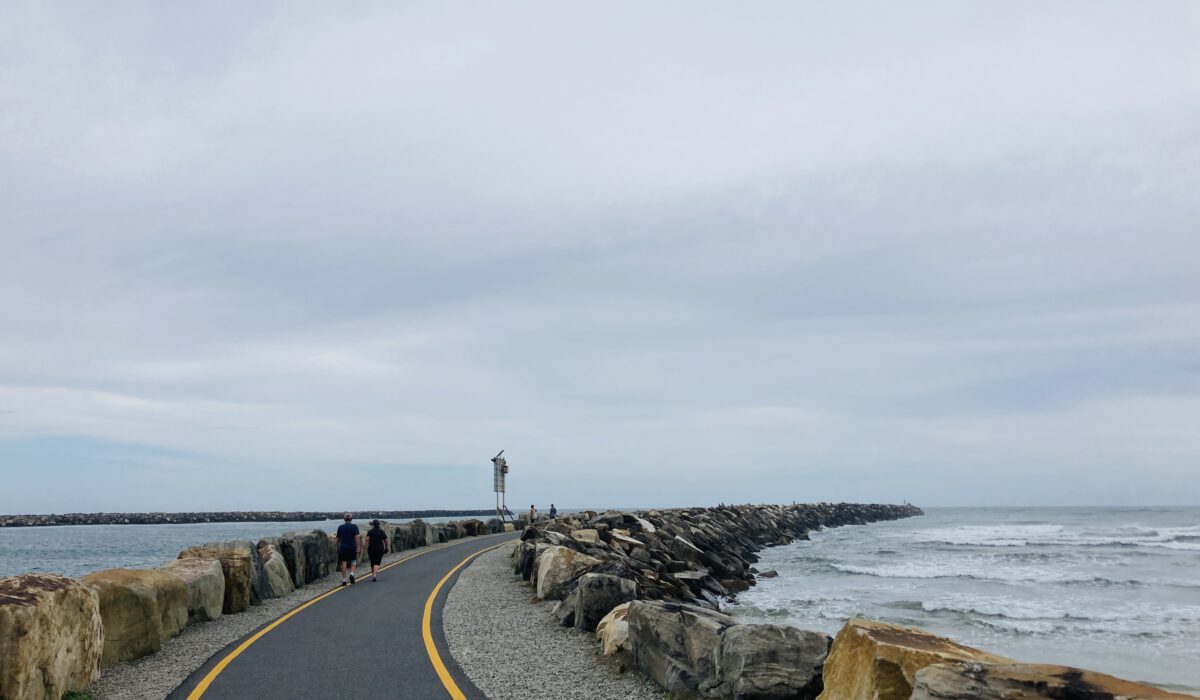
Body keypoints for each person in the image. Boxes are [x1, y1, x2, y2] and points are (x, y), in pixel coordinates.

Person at [336, 513, 363, 586]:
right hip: (352, 547)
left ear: (344, 519)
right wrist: (358, 547)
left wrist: (338, 547)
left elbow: (338, 539)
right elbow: (356, 537)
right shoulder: (354, 527)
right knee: (353, 561)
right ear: (351, 519)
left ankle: (344, 580)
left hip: (343, 547)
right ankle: (352, 574)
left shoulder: (340, 527)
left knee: (343, 563)